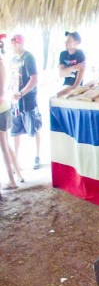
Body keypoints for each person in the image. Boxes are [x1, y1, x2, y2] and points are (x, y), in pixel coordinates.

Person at [9, 34, 42, 170]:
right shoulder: (12, 60)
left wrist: (22, 93)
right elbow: (12, 79)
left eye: (14, 44)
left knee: (34, 127)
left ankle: (37, 155)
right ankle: (16, 161)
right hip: (15, 102)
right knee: (15, 131)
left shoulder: (29, 57)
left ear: (19, 43)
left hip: (28, 100)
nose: (12, 47)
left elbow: (34, 79)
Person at [0, 36, 24, 190]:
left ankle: (12, 181)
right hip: (4, 107)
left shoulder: (1, 64)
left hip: (1, 108)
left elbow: (1, 90)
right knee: (6, 145)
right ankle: (19, 175)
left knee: (4, 146)